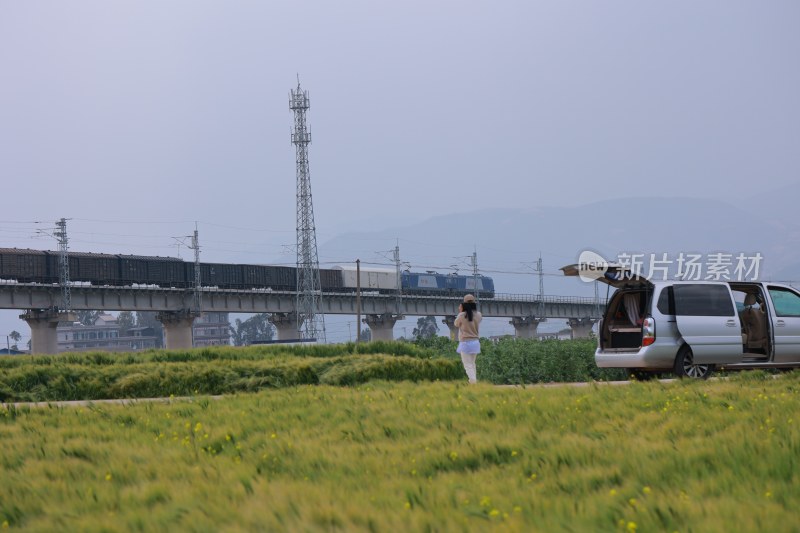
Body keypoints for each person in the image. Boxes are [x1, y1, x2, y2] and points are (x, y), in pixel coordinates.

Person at [454, 294, 482, 384]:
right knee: (472, 363)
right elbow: (477, 319)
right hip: (475, 342)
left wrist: (461, 311)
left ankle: (473, 382)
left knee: (467, 364)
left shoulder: (462, 315)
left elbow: (456, 324)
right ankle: (472, 382)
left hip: (465, 342)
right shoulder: (478, 315)